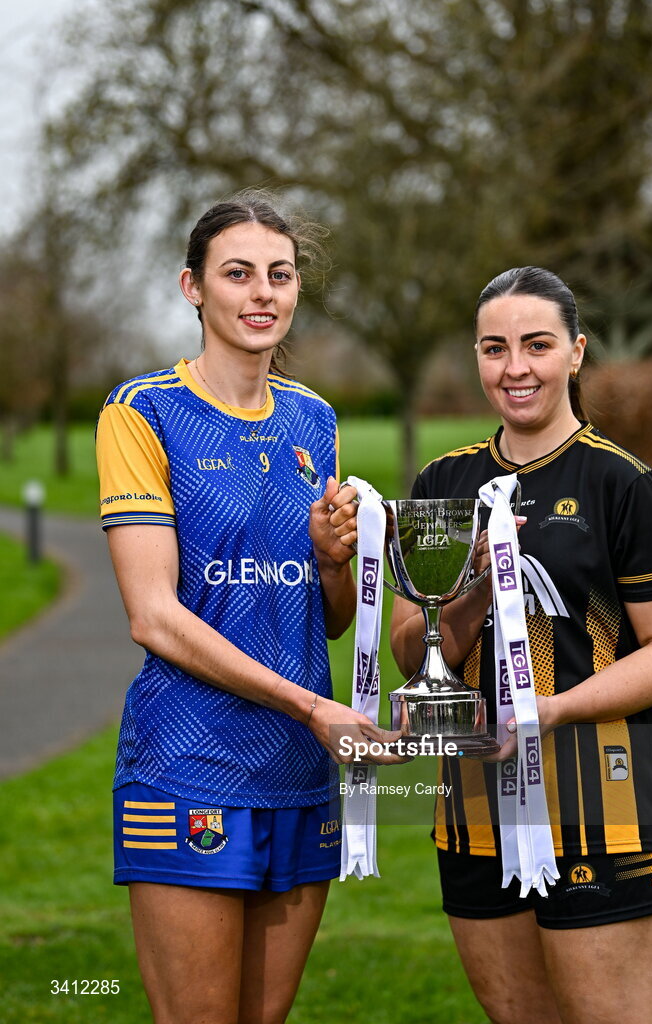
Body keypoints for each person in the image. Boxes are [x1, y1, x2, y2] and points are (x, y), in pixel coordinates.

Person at [96, 189, 399, 1024]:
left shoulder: (312, 418)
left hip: (298, 771)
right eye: (237, 274)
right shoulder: (143, 411)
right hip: (189, 766)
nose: (262, 293)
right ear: (193, 287)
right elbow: (153, 615)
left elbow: (326, 618)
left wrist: (332, 559)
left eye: (280, 274)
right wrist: (313, 707)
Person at [390, 267, 652, 1024]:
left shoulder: (622, 484)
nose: (515, 368)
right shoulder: (442, 483)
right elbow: (410, 653)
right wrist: (472, 585)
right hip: (472, 812)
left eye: (536, 345)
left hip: (602, 808)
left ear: (576, 352)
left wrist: (550, 709)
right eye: (494, 348)